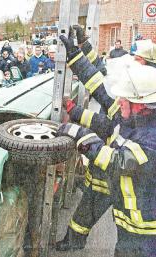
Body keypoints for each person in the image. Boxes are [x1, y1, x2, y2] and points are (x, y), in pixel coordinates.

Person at [58, 29, 156, 257]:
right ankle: (73, 241)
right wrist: (75, 112)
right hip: (126, 211)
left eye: (124, 98)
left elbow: (119, 161)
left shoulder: (151, 138)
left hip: (144, 232)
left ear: (141, 104)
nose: (118, 101)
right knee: (88, 209)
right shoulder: (136, 114)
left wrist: (81, 134)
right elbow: (106, 113)